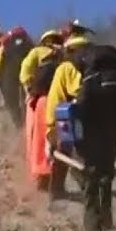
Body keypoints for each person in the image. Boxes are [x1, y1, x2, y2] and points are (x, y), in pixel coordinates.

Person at [55, 43, 116, 231]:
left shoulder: (89, 80)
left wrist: (68, 138)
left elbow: (78, 111)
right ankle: (107, 219)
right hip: (114, 135)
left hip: (90, 136)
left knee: (89, 180)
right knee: (106, 175)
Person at [43, 35, 92, 202]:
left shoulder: (64, 67)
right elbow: (79, 92)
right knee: (77, 154)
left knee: (63, 154)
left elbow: (58, 97)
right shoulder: (79, 68)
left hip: (62, 117)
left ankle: (56, 191)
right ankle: (87, 190)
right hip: (74, 118)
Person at [22, 30, 65, 189]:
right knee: (62, 140)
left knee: (38, 138)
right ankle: (59, 177)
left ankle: (41, 174)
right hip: (63, 103)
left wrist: (28, 88)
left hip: (42, 100)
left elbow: (24, 72)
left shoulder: (37, 53)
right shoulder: (65, 57)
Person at [0, 26, 33, 128]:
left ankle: (18, 123)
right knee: (27, 100)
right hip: (28, 75)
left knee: (11, 101)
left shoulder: (5, 44)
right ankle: (27, 123)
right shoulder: (30, 44)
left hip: (9, 74)